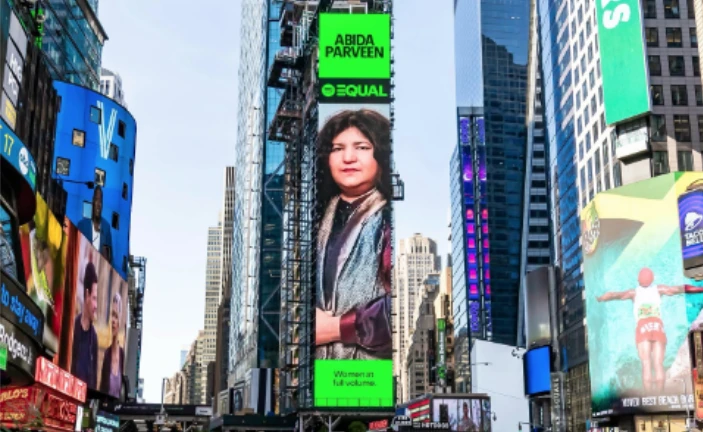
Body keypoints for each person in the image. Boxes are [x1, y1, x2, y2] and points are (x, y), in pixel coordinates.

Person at [314, 109, 393, 361]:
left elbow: (402, 305)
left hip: (371, 375)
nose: (348, 157)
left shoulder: (389, 217)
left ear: (381, 154)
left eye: (361, 147)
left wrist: (340, 327)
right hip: (320, 375)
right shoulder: (316, 219)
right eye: (337, 149)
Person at [596, 267, 703, 392]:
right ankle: (660, 393)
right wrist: (700, 289)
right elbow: (681, 288)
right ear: (652, 279)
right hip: (657, 326)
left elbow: (614, 295)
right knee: (658, 364)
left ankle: (649, 395)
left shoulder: (634, 293)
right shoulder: (659, 289)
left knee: (646, 364)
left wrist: (600, 298)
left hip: (643, 327)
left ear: (638, 279)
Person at [72, 261, 99, 389]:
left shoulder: (94, 338)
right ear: (87, 294)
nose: (96, 306)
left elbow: (94, 383)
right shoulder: (73, 328)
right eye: (94, 298)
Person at [78, 186, 112, 263]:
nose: (98, 204)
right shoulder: (82, 226)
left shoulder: (106, 228)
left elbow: (109, 260)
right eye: (97, 200)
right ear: (93, 202)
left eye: (101, 201)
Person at [100, 292, 124, 397]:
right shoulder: (107, 353)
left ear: (119, 322)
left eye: (116, 316)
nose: (113, 321)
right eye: (111, 316)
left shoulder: (122, 355)